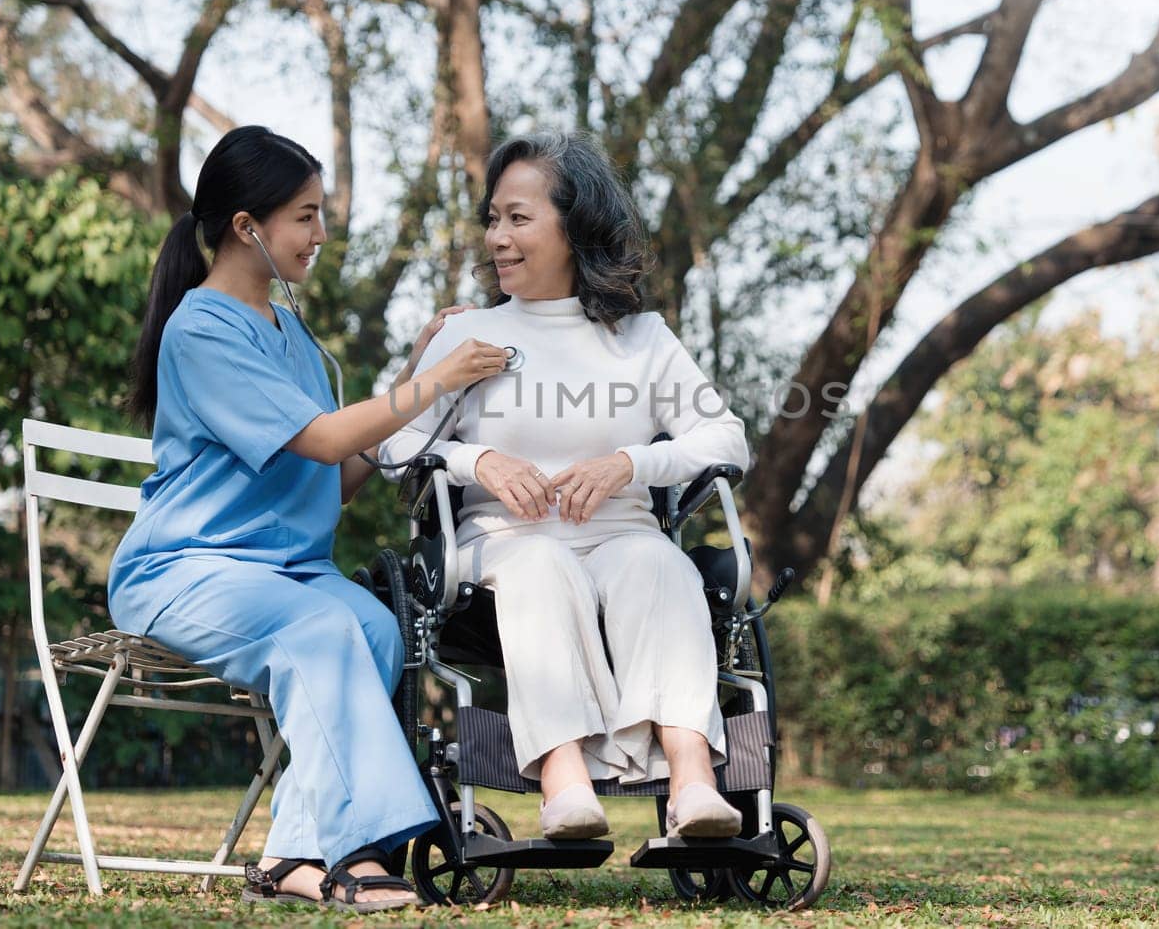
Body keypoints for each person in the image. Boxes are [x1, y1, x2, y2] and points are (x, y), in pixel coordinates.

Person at [108, 125, 509, 912]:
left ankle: (293, 852)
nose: (321, 234)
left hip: (284, 574)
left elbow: (340, 472)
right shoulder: (201, 329)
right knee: (323, 632)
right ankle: (354, 851)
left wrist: (421, 367)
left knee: (375, 628)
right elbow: (326, 436)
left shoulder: (291, 333)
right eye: (306, 215)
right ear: (246, 226)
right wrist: (433, 382)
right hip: (187, 571)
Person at [379, 131, 751, 841]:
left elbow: (726, 438)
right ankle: (563, 779)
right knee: (543, 566)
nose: (498, 237)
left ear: (574, 225)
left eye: (518, 218)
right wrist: (477, 460)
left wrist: (630, 463)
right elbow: (393, 445)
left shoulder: (641, 337)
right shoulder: (472, 332)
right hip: (504, 544)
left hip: (621, 532)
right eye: (494, 219)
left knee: (661, 564)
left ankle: (693, 779)